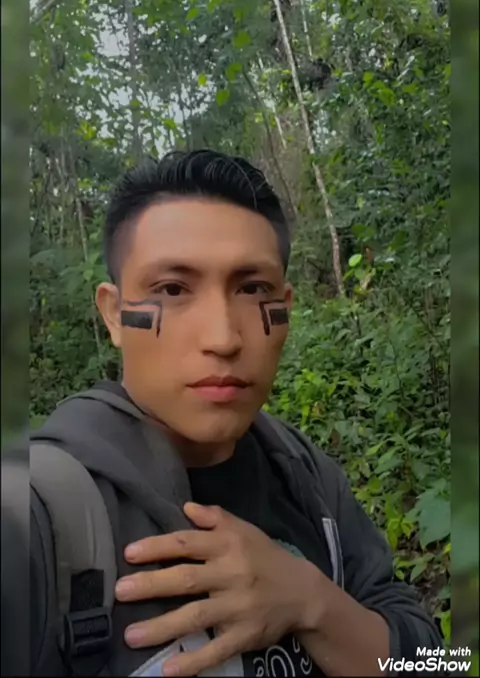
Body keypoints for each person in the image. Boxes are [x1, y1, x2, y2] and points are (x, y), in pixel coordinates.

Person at [2, 150, 443, 677]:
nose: (223, 338)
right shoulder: (37, 514)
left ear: (285, 309)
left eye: (253, 289)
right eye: (172, 289)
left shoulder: (309, 478)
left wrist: (314, 604)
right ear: (114, 315)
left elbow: (443, 661)